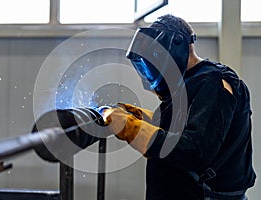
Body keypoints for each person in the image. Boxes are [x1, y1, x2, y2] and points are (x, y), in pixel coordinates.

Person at [106, 14, 256, 200]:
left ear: (175, 46)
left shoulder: (213, 83)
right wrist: (146, 120)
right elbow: (187, 128)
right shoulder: (187, 84)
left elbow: (194, 150)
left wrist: (133, 129)